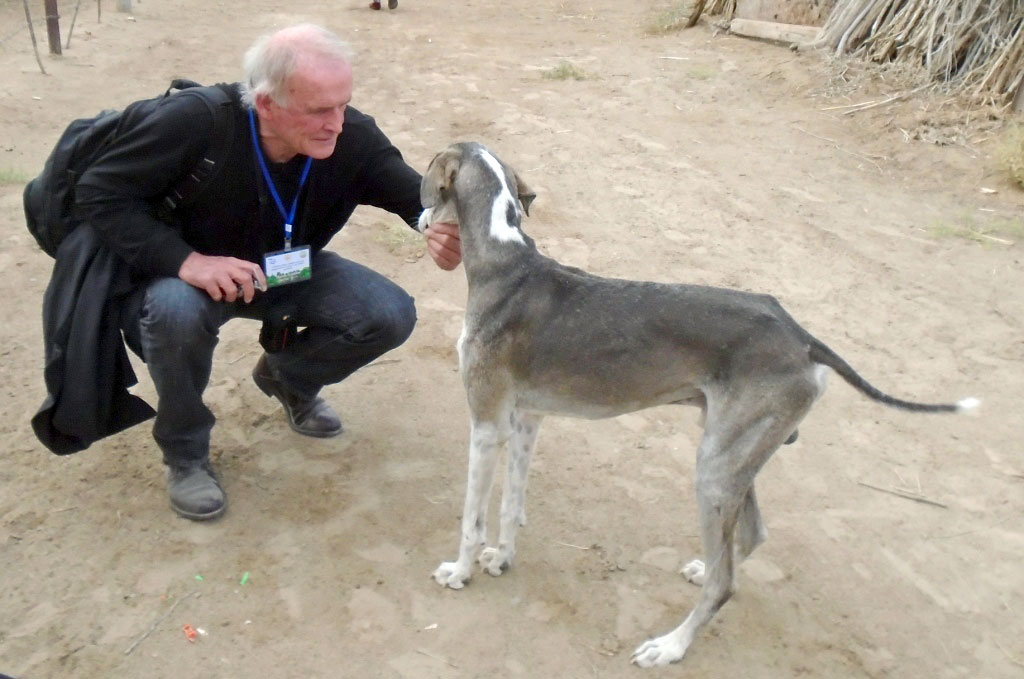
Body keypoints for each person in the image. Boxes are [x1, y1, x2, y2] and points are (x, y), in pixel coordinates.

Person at [70, 23, 460, 521]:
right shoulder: (195, 123)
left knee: (387, 313)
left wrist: (436, 227)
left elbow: (412, 194)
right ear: (267, 103)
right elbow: (100, 192)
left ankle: (287, 379)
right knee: (172, 312)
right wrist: (186, 262)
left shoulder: (350, 134)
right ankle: (186, 453)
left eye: (342, 104)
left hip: (285, 271)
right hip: (193, 279)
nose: (336, 124)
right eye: (319, 109)